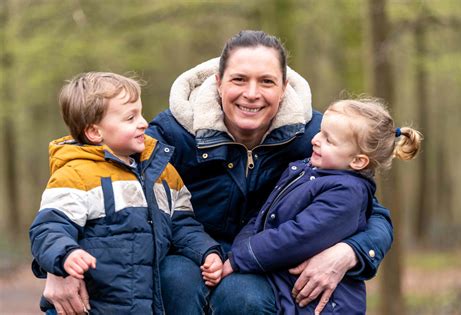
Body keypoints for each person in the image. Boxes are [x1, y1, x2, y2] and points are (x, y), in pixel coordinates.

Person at [41, 30, 394, 315]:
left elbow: (369, 210)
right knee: (174, 279)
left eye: (267, 82)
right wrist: (56, 266)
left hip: (266, 266)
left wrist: (351, 252)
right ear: (219, 82)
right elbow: (91, 171)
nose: (251, 94)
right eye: (239, 79)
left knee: (243, 297)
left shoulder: (315, 137)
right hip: (188, 254)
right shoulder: (170, 135)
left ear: (284, 87)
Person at [30, 72, 224, 314]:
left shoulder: (163, 172)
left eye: (140, 113)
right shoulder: (75, 175)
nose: (143, 123)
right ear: (94, 132)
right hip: (91, 304)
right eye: (130, 117)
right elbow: (48, 227)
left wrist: (207, 252)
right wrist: (66, 254)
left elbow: (183, 223)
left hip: (142, 302)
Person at [223, 98, 423, 314]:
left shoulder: (346, 193)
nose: (315, 140)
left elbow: (298, 236)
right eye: (320, 132)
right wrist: (239, 250)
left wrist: (240, 258)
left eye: (329, 140)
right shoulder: (306, 170)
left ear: (357, 161)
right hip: (288, 291)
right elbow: (264, 214)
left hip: (324, 306)